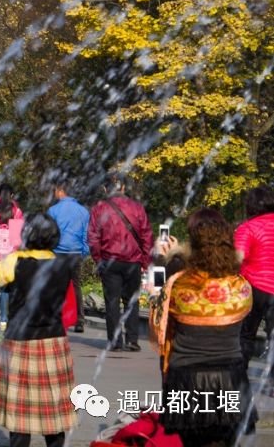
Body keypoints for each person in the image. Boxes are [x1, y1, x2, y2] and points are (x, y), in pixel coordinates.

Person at [155, 209, 256, 447]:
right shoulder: (241, 287)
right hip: (230, 377)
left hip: (187, 377)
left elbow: (158, 319)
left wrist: (167, 260)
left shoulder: (178, 284)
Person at [0, 213, 75, 447]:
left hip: (19, 341)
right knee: (54, 414)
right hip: (53, 340)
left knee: (19, 415)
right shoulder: (64, 264)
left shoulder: (14, 261)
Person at [88, 174, 152, 351]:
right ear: (123, 188)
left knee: (112, 301)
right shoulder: (137, 208)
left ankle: (115, 341)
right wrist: (145, 261)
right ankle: (132, 340)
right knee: (131, 300)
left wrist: (98, 259)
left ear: (105, 189)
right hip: (133, 261)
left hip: (110, 261)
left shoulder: (99, 208)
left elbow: (93, 237)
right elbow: (147, 235)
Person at [236, 185, 274, 361]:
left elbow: (238, 257)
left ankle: (240, 381)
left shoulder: (248, 228)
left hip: (254, 287)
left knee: (245, 336)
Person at [47, 180, 90, 333]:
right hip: (75, 253)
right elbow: (86, 236)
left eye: (55, 191)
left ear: (60, 191)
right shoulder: (83, 211)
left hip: (58, 252)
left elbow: (50, 234)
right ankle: (80, 320)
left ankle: (57, 319)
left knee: (57, 286)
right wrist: (84, 252)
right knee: (76, 286)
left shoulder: (52, 211)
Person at [0, 184, 24, 328]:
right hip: (8, 255)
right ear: (12, 195)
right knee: (4, 289)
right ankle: (3, 320)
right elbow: (16, 239)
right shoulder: (17, 211)